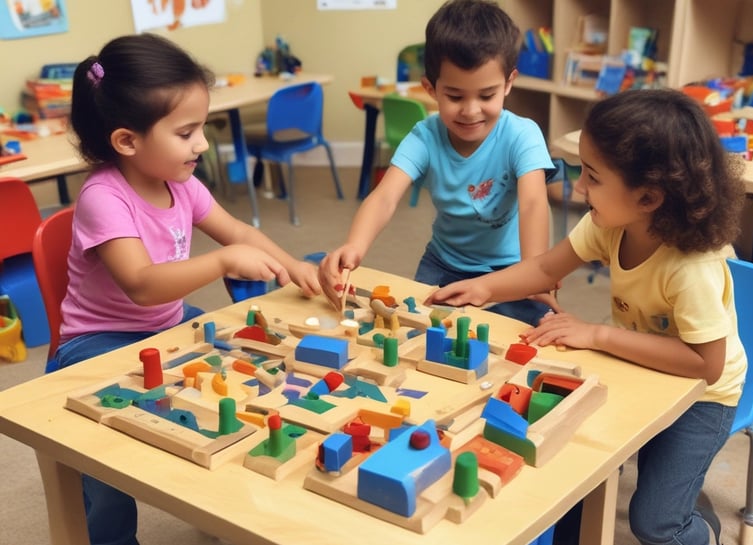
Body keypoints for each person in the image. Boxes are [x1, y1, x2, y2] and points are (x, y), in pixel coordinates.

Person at [427, 88, 747, 545]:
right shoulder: (611, 223)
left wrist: (597, 334)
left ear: (648, 197)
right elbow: (545, 268)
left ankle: (697, 527)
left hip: (704, 396)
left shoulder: (691, 267)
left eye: (592, 177)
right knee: (575, 459)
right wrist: (484, 287)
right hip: (640, 366)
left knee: (655, 523)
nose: (578, 187)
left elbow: (705, 364)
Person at [52, 33, 321, 545]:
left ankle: (220, 504)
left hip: (165, 325)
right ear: (127, 141)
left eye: (201, 128)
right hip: (97, 341)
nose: (202, 144)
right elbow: (141, 285)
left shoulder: (182, 182)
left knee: (243, 381)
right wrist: (221, 259)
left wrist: (291, 266)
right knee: (105, 453)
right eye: (186, 132)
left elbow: (237, 231)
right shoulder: (103, 197)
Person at [319, 0, 557, 325]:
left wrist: (534, 271)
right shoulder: (425, 136)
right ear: (431, 88)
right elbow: (385, 197)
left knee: (525, 338)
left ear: (508, 83)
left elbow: (533, 204)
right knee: (420, 332)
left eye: (486, 95)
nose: (470, 111)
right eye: (455, 96)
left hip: (511, 269)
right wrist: (354, 245)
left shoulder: (522, 135)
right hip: (444, 265)